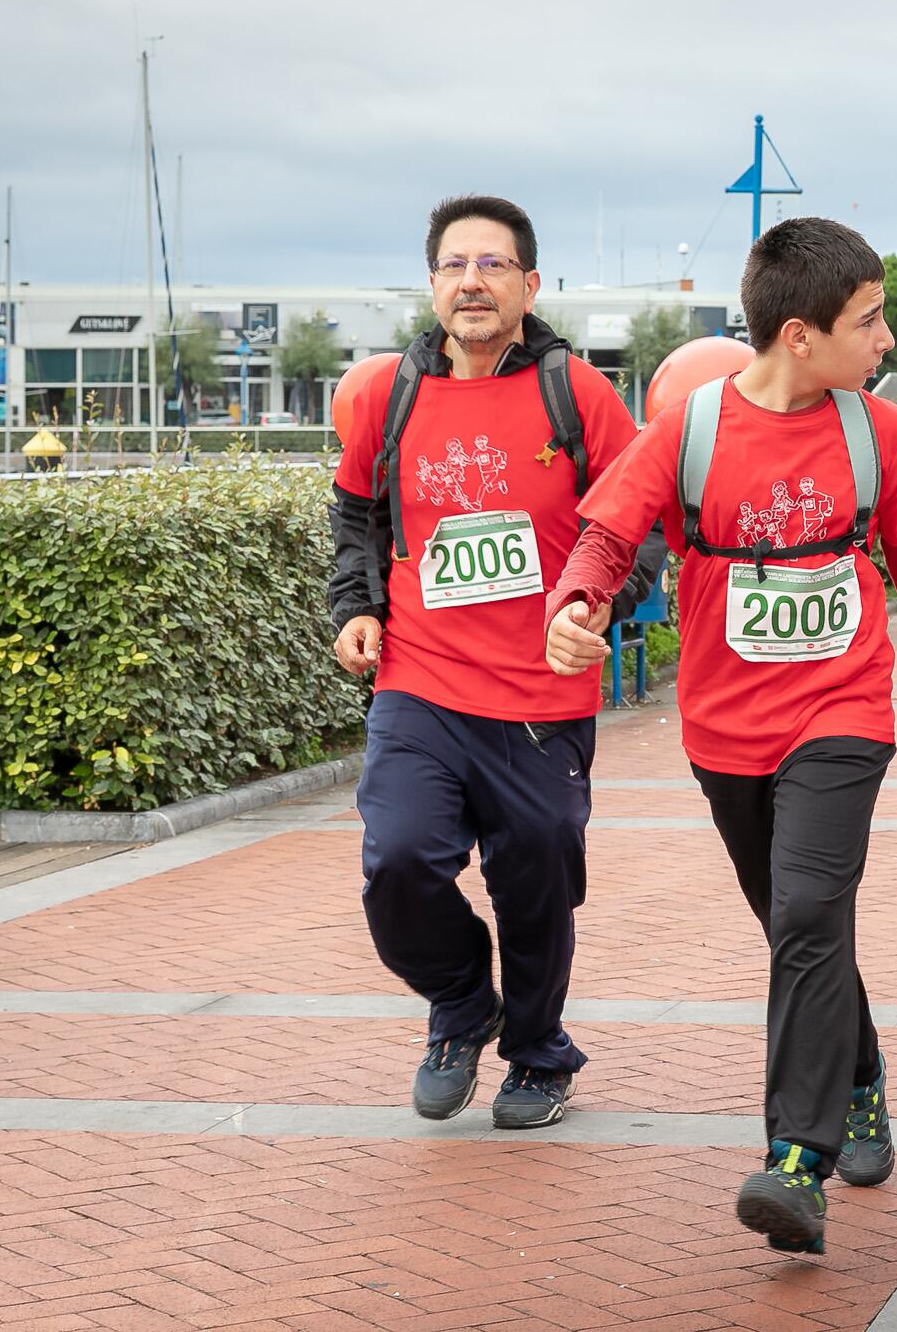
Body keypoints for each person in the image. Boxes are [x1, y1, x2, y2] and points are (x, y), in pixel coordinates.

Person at [544, 217, 897, 1256]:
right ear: (799, 334)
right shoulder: (692, 429)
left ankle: (798, 1160)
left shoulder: (876, 435)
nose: (887, 340)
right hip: (723, 728)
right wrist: (578, 602)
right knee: (800, 926)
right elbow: (609, 531)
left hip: (842, 713)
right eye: (870, 321)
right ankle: (860, 1075)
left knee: (806, 908)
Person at [327, 194, 642, 1132]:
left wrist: (595, 605)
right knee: (399, 864)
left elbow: (634, 518)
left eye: (493, 264)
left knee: (537, 874)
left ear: (529, 284)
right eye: (455, 265)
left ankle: (539, 1053)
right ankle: (464, 1002)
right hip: (419, 681)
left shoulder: (576, 393)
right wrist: (356, 607)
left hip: (544, 693)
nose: (473, 280)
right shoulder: (389, 394)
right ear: (431, 285)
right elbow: (356, 514)